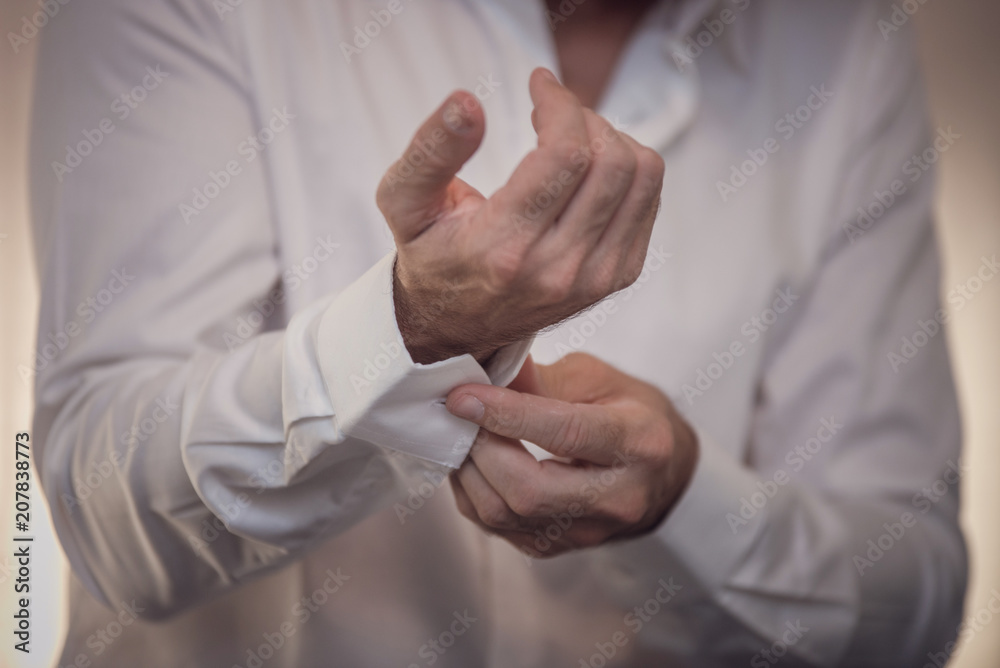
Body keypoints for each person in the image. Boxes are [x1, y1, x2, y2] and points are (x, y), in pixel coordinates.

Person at [28, 0, 966, 665]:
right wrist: (409, 331)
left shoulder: (845, 44)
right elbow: (99, 516)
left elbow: (914, 602)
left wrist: (688, 501)